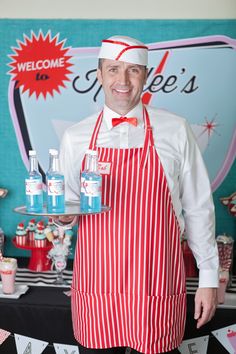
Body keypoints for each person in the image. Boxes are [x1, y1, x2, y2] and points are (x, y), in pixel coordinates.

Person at [60, 35, 219, 354]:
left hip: (156, 282)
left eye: (133, 70)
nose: (123, 80)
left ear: (146, 76)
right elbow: (67, 207)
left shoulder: (175, 129)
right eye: (114, 69)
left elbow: (199, 207)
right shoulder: (76, 136)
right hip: (98, 285)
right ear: (99, 75)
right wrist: (63, 218)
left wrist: (209, 278)